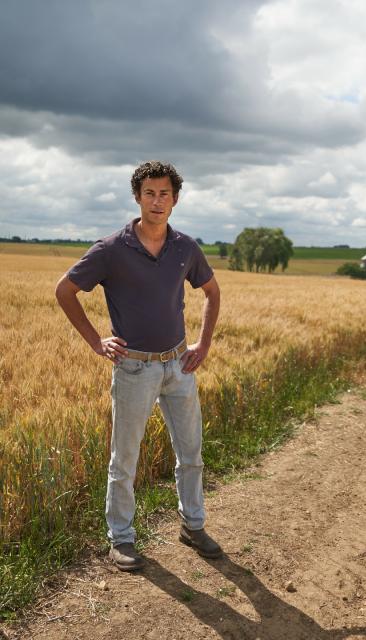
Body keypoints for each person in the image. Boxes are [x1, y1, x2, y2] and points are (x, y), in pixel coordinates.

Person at [55, 161, 222, 571]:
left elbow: (212, 293)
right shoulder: (112, 249)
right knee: (124, 458)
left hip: (179, 365)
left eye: (165, 194)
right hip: (134, 369)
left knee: (192, 453)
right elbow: (65, 291)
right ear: (137, 197)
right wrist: (96, 340)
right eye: (150, 193)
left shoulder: (185, 247)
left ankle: (193, 525)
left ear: (176, 200)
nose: (158, 201)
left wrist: (203, 343)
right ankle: (122, 538)